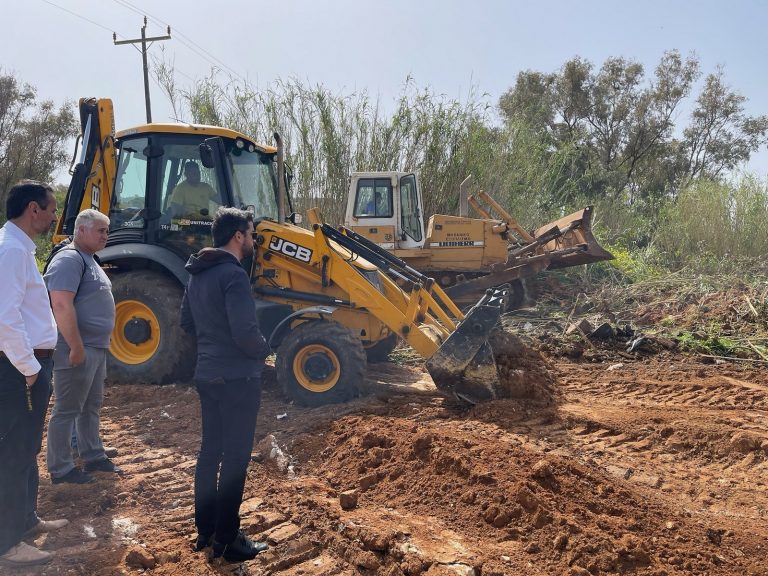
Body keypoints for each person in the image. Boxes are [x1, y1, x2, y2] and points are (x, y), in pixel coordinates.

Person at [180, 207, 270, 562]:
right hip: (237, 379)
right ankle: (228, 540)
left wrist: (211, 344)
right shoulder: (233, 275)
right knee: (235, 459)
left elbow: (187, 322)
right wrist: (265, 351)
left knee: (209, 453)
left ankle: (207, 529)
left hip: (208, 374)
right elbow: (246, 332)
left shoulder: (197, 274)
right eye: (251, 233)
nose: (253, 240)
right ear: (237, 236)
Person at [0, 180, 68, 567]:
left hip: (26, 364)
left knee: (26, 449)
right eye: (51, 208)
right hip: (18, 367)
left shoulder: (19, 249)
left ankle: (25, 520)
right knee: (12, 452)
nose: (54, 216)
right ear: (33, 209)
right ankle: (7, 544)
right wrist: (29, 370)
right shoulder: (10, 252)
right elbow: (5, 319)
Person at [44, 209, 121, 485]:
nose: (106, 235)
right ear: (81, 230)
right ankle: (61, 469)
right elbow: (61, 304)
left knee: (91, 405)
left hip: (95, 348)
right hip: (77, 347)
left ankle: (93, 455)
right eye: (100, 230)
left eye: (107, 230)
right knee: (67, 409)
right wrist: (76, 346)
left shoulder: (90, 260)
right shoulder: (69, 260)